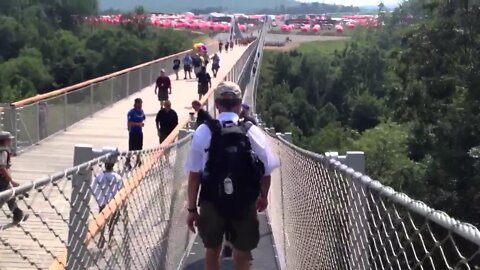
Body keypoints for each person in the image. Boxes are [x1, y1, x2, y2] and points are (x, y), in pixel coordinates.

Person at [185, 81, 279, 270]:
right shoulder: (251, 131)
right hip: (244, 201)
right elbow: (267, 170)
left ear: (218, 105)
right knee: (242, 252)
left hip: (211, 200)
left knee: (212, 249)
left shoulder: (203, 131)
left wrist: (192, 210)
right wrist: (263, 196)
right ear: (239, 104)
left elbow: (194, 176)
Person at [91, 158, 122, 249]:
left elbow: (93, 189)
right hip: (113, 202)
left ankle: (101, 237)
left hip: (103, 203)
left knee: (102, 221)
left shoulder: (99, 176)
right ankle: (110, 238)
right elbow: (121, 189)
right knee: (112, 222)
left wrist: (99, 200)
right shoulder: (117, 177)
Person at [0, 131, 29, 224]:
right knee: (4, 197)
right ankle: (18, 215)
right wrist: (11, 181)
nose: (10, 141)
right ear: (4, 141)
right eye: (9, 140)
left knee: (11, 196)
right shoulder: (3, 151)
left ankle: (18, 215)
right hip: (1, 181)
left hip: (4, 180)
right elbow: (2, 168)